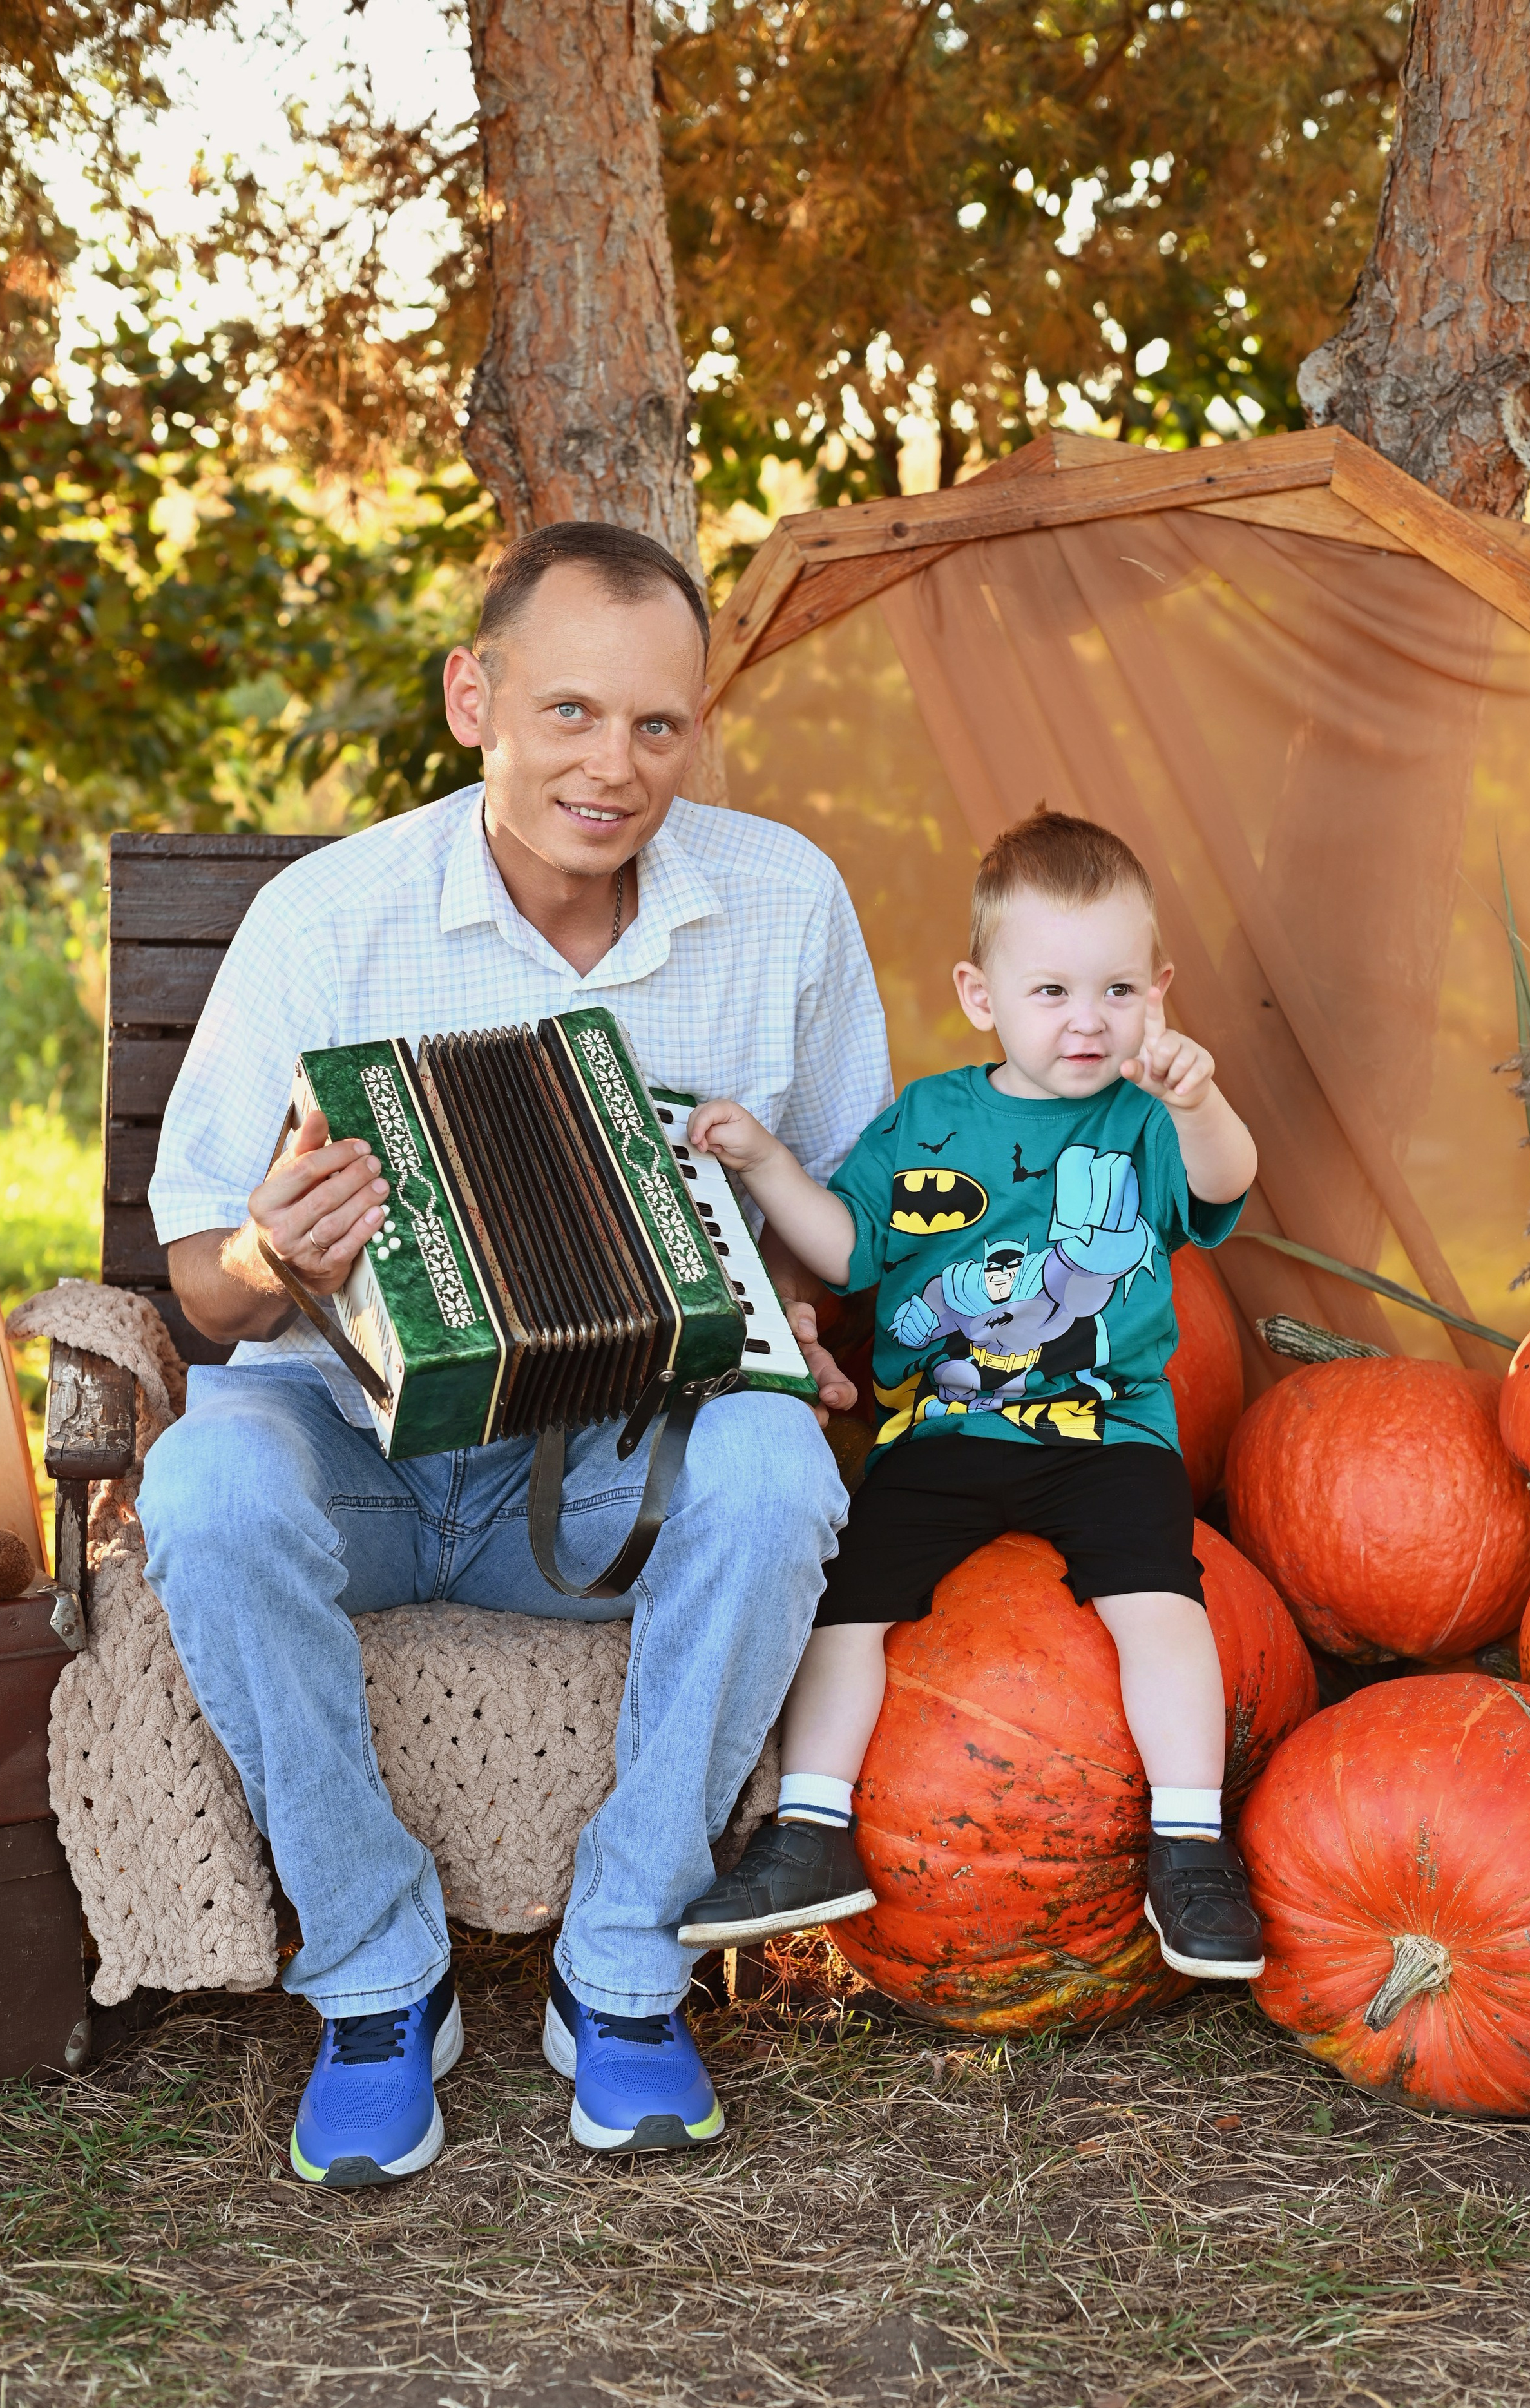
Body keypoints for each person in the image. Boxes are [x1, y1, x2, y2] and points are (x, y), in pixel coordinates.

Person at [138, 523, 892, 2183]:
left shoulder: (782, 905)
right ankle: (374, 1977)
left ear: (695, 728)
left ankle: (622, 1969)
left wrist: (811, 1326)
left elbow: (847, 1201)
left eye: (651, 726)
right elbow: (204, 1287)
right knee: (202, 1481)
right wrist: (275, 1251)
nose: (607, 769)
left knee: (771, 1461)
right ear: (474, 697)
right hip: (362, 1466)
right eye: (565, 712)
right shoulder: (326, 921)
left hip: (612, 1473)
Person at [674, 809, 1267, 1981]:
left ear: (1157, 992)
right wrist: (770, 1168)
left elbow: (1225, 1183)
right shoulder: (928, 1119)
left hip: (1109, 1426)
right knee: (849, 1603)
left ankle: (1192, 1843)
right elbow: (846, 1253)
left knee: (1162, 1600)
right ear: (982, 994)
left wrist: (1199, 1099)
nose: (1087, 1022)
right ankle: (813, 1826)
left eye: (1115, 992)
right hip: (943, 1422)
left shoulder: (1150, 1119)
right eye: (1050, 991)